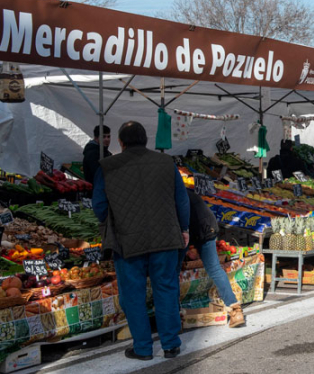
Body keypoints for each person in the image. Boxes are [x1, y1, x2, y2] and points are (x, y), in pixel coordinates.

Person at [92, 122, 189, 361]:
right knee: (166, 289)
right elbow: (182, 200)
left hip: (127, 239)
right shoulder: (167, 163)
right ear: (146, 140)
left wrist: (115, 220)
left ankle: (143, 348)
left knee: (132, 294)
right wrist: (184, 228)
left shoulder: (107, 166)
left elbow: (99, 207)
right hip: (166, 236)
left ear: (121, 143)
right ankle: (171, 345)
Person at [184, 190, 245, 327]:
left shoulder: (171, 193)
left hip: (194, 230)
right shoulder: (186, 191)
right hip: (208, 227)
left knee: (172, 273)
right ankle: (236, 311)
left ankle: (174, 317)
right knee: (215, 269)